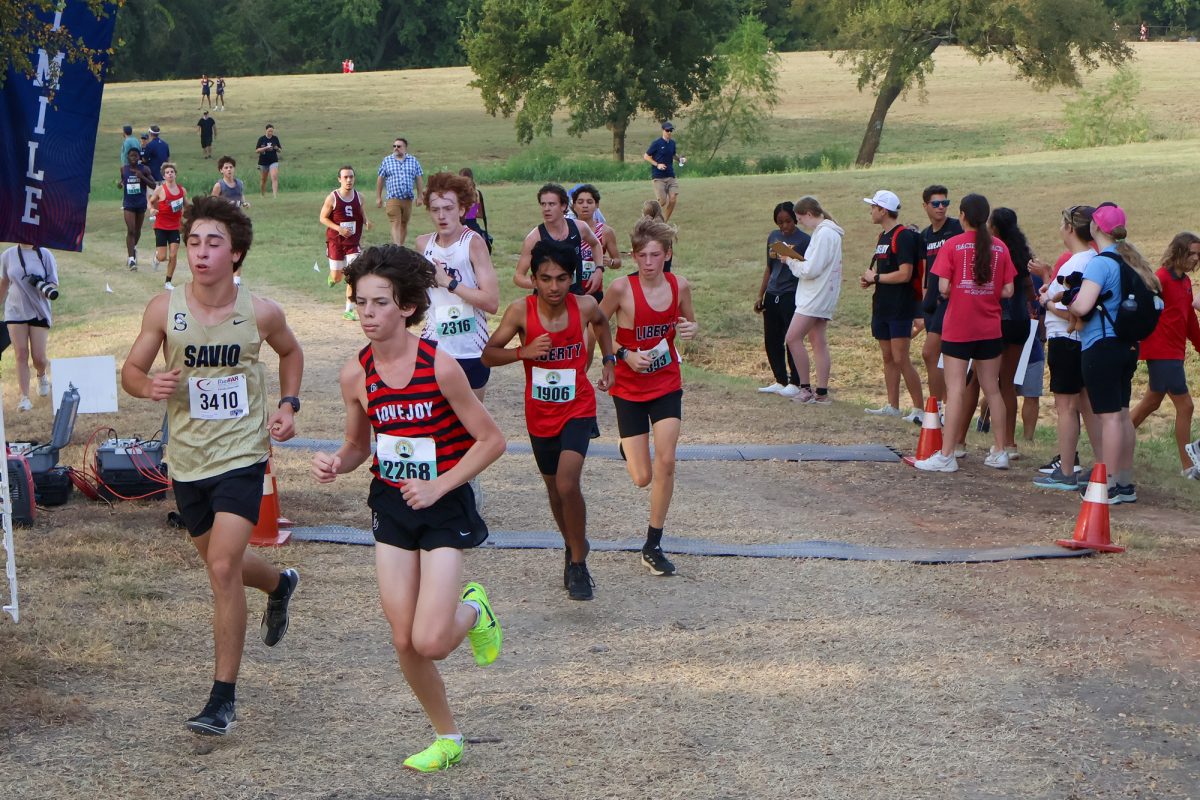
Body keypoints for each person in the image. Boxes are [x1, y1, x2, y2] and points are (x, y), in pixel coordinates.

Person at [310, 244, 505, 773]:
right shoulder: (355, 375)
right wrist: (336, 462)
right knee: (403, 638)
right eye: (360, 302)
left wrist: (441, 485)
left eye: (379, 302)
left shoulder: (440, 366)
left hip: (442, 505)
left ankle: (474, 609)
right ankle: (448, 737)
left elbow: (491, 441)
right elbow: (358, 445)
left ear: (407, 308)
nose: (368, 313)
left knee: (432, 640)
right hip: (392, 504)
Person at [120, 196, 304, 736]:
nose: (200, 253)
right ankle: (278, 585)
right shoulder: (163, 308)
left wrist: (288, 405)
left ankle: (222, 699)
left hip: (243, 456)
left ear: (237, 253)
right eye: (193, 242)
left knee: (223, 568)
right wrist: (147, 385)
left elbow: (291, 354)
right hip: (187, 460)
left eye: (213, 243)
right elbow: (131, 370)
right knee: (221, 565)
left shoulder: (261, 312)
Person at [482, 240, 615, 600]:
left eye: (561, 278)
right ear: (534, 280)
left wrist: (608, 361)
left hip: (578, 407)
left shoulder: (585, 306)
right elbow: (488, 355)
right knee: (555, 490)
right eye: (545, 278)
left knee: (568, 484)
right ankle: (572, 548)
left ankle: (578, 557)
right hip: (540, 415)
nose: (554, 287)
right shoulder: (519, 313)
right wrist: (522, 352)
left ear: (572, 278)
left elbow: (602, 324)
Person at [599, 217, 698, 577]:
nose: (649, 262)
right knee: (641, 477)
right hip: (628, 387)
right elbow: (599, 325)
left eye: (655, 255)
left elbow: (688, 323)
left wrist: (689, 328)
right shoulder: (621, 289)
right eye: (642, 255)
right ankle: (629, 447)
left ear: (667, 254)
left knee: (667, 461)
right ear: (634, 257)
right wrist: (620, 356)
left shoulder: (680, 286)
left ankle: (653, 543)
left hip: (667, 382)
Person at [916, 193, 1016, 472]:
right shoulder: (1000, 248)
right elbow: (1008, 290)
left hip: (959, 326)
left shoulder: (953, 245)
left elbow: (943, 287)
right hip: (990, 327)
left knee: (956, 389)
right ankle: (1000, 449)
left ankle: (947, 454)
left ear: (962, 215)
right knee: (992, 389)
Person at [1069, 203, 1161, 504]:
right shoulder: (1131, 260)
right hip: (1127, 346)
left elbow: (1082, 307)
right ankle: (1124, 483)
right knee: (1121, 416)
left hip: (1101, 345)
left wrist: (1066, 302)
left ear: (1095, 228)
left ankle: (1105, 485)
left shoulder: (1100, 263)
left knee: (1108, 418)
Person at [415, 172, 500, 400]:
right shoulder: (423, 245)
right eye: (435, 209)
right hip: (434, 347)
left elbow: (492, 302)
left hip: (471, 350)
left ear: (462, 209)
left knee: (472, 429)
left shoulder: (473, 243)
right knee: (435, 425)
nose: (442, 216)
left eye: (449, 208)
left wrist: (450, 283)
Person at [1033, 205, 1098, 490]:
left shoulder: (1075, 263)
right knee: (1086, 405)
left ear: (1070, 228)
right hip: (1083, 343)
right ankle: (1102, 468)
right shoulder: (1093, 258)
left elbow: (1071, 311)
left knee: (1066, 407)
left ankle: (1067, 470)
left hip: (1066, 340)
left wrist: (1046, 302)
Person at [1131, 232, 1200, 478]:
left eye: (1198, 255)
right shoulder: (1160, 279)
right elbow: (1143, 311)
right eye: (1191, 253)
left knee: (1151, 402)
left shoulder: (1184, 283)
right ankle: (1189, 466)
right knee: (1187, 406)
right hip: (1161, 352)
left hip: (1175, 352)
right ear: (1178, 252)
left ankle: (1112, 445)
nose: (1195, 259)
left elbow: (1189, 319)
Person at [861, 190, 924, 422]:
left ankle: (919, 409)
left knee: (901, 358)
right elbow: (887, 272)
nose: (871, 211)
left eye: (873, 207)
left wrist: (876, 278)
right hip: (882, 305)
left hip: (900, 306)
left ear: (883, 210)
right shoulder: (882, 237)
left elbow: (905, 274)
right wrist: (871, 279)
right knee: (887, 357)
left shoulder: (903, 236)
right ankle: (892, 405)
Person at [783, 195, 844, 404]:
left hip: (814, 296)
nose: (800, 223)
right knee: (818, 341)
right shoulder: (827, 232)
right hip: (821, 294)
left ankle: (805, 388)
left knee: (792, 338)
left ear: (809, 214)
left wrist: (790, 260)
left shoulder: (825, 234)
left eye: (800, 219)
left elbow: (811, 269)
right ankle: (822, 392)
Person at [989, 207, 1036, 460]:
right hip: (1021, 321)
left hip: (998, 320)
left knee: (987, 381)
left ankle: (998, 442)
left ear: (994, 228)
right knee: (1008, 383)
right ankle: (1010, 442)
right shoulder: (1022, 251)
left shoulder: (995, 251)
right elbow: (1029, 287)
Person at [756, 202, 808, 398]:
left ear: (795, 219)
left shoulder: (805, 240)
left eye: (787, 221)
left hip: (791, 293)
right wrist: (761, 294)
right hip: (773, 292)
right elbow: (769, 267)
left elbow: (807, 267)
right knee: (772, 338)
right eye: (780, 223)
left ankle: (796, 381)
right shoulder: (773, 237)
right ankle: (780, 379)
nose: (784, 226)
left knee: (791, 338)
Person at [514, 184, 605, 297]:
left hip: (575, 296)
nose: (546, 208)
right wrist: (542, 284)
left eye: (552, 204)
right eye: (543, 204)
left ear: (563, 206)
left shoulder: (579, 227)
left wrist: (599, 270)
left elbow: (596, 244)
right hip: (546, 301)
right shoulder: (534, 238)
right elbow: (518, 276)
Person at [918, 185, 964, 405]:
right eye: (935, 204)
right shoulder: (925, 235)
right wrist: (924, 298)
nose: (941, 208)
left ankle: (937, 407)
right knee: (936, 357)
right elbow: (926, 270)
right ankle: (940, 406)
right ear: (925, 205)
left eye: (945, 203)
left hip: (952, 300)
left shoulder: (956, 228)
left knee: (930, 353)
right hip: (931, 302)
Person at [0, 242, 58, 411]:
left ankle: (41, 374)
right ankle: (24, 397)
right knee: (21, 353)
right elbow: (4, 282)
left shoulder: (44, 254)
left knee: (39, 357)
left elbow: (53, 283)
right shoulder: (8, 255)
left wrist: (43, 287)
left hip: (39, 310)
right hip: (15, 311)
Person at [320, 166, 372, 320]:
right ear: (339, 179)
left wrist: (367, 221)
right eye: (345, 177)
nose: (349, 180)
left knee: (353, 275)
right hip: (335, 242)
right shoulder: (332, 198)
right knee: (337, 277)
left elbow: (361, 212)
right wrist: (339, 229)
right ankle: (333, 278)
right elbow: (323, 218)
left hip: (353, 243)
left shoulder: (360, 197)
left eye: (351, 177)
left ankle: (348, 310)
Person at [570, 183, 621, 301]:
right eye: (580, 202)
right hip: (569, 289)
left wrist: (611, 262)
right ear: (574, 205)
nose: (585, 206)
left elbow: (618, 261)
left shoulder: (606, 232)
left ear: (596, 205)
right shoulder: (566, 229)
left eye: (589, 202)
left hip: (593, 289)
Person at [376, 138, 425, 245]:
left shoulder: (413, 161)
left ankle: (400, 248)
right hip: (393, 198)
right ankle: (396, 247)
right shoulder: (387, 161)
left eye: (399, 146)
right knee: (395, 222)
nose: (396, 148)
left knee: (404, 224)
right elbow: (380, 178)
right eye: (394, 146)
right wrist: (378, 197)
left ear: (405, 148)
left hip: (407, 198)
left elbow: (419, 178)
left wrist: (420, 196)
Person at [147, 162, 187, 290]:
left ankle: (168, 282)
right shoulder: (160, 189)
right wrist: (151, 210)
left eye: (172, 172)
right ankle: (157, 258)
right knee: (163, 256)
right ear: (164, 176)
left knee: (174, 255)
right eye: (167, 173)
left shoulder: (182, 190)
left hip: (175, 227)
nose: (170, 174)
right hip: (161, 226)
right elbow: (150, 201)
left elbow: (186, 204)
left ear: (175, 174)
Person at [121, 147, 156, 270]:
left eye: (136, 156)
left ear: (139, 157)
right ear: (128, 157)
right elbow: (123, 180)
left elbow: (153, 185)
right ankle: (131, 260)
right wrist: (120, 184)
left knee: (137, 230)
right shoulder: (123, 169)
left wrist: (142, 177)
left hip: (140, 204)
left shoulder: (144, 169)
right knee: (130, 230)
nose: (134, 158)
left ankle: (133, 248)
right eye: (131, 156)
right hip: (128, 204)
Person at [643, 121, 683, 221]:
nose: (669, 132)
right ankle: (649, 212)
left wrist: (680, 159)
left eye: (671, 130)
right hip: (658, 177)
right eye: (667, 130)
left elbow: (673, 155)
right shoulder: (656, 143)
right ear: (663, 131)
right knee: (662, 202)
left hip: (670, 175)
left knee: (673, 199)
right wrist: (657, 165)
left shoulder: (672, 143)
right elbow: (646, 156)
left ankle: (664, 222)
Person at [458, 168, 491, 252]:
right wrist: (471, 213)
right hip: (473, 226)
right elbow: (480, 214)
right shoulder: (477, 193)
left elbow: (461, 214)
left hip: (461, 227)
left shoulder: (458, 194)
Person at [256, 124, 283, 198]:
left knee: (274, 177)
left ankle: (275, 195)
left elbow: (280, 150)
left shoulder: (275, 138)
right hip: (263, 162)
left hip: (273, 161)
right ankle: (262, 194)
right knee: (263, 179)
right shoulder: (261, 139)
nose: (270, 133)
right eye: (269, 131)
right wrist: (265, 148)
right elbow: (257, 150)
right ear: (266, 130)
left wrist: (276, 148)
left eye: (272, 131)